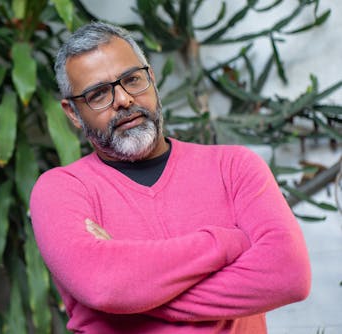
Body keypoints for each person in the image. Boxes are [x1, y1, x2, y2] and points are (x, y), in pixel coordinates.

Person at [29, 21, 311, 333]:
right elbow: (104, 286)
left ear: (151, 78)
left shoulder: (235, 167)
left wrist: (135, 294)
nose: (123, 99)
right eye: (98, 95)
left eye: (132, 79)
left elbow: (289, 274)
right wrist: (228, 242)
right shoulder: (61, 190)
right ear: (72, 112)